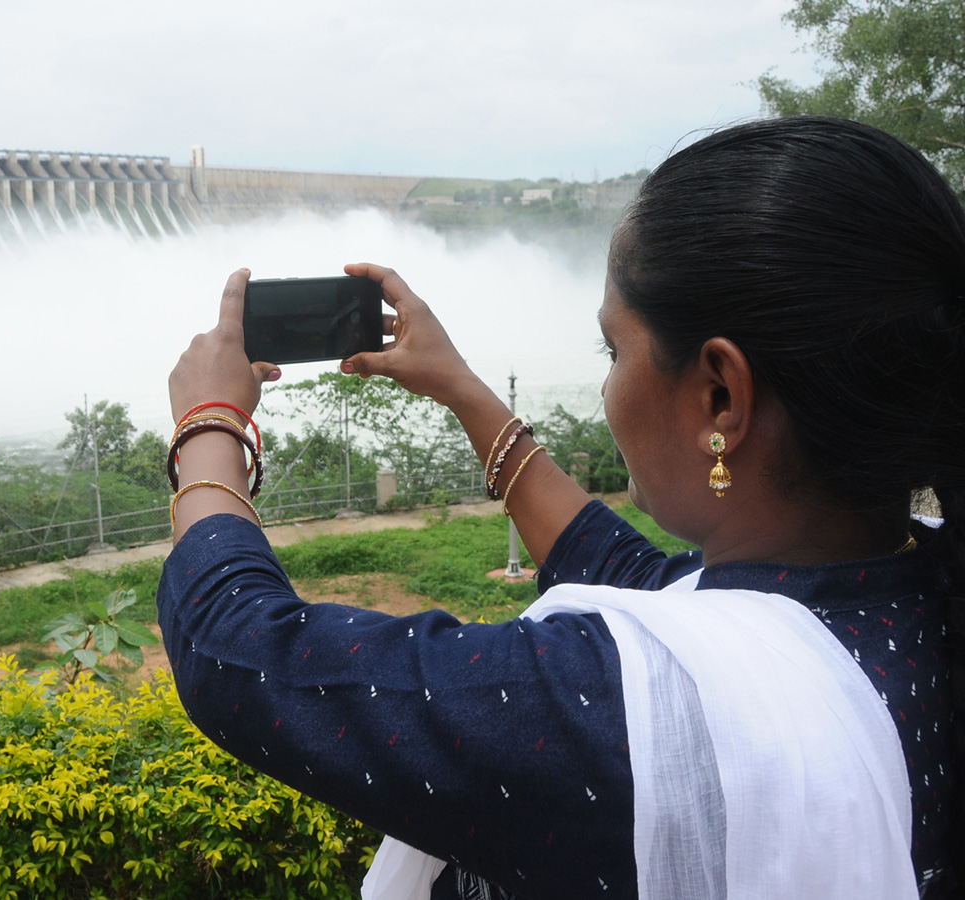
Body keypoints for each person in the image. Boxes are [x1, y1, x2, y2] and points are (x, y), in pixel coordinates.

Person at [157, 116, 963, 899]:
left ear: (721, 394)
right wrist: (464, 391)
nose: (609, 384)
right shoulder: (909, 589)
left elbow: (237, 651)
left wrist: (209, 423)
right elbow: (641, 580)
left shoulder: (600, 707)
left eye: (614, 351)